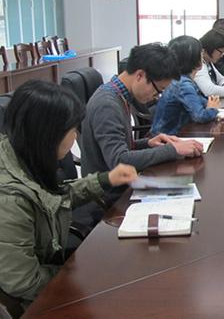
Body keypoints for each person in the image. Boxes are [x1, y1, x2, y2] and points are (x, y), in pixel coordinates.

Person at [0, 81, 138, 308]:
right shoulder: (10, 200)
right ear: (48, 134)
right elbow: (23, 282)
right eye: (72, 130)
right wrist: (81, 279)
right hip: (34, 300)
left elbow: (53, 199)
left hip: (50, 268)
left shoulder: (24, 155)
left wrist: (106, 179)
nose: (75, 137)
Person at [81, 43, 204, 176]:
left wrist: (148, 143)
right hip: (112, 187)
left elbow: (122, 146)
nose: (156, 97)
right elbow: (119, 161)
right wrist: (172, 150)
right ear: (140, 75)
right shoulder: (107, 105)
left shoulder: (118, 95)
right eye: (158, 90)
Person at [151, 36, 220, 136]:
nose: (203, 56)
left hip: (175, 134)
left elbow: (201, 102)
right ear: (193, 59)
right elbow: (199, 116)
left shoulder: (182, 79)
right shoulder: (183, 84)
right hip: (168, 137)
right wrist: (213, 109)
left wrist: (210, 104)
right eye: (200, 53)